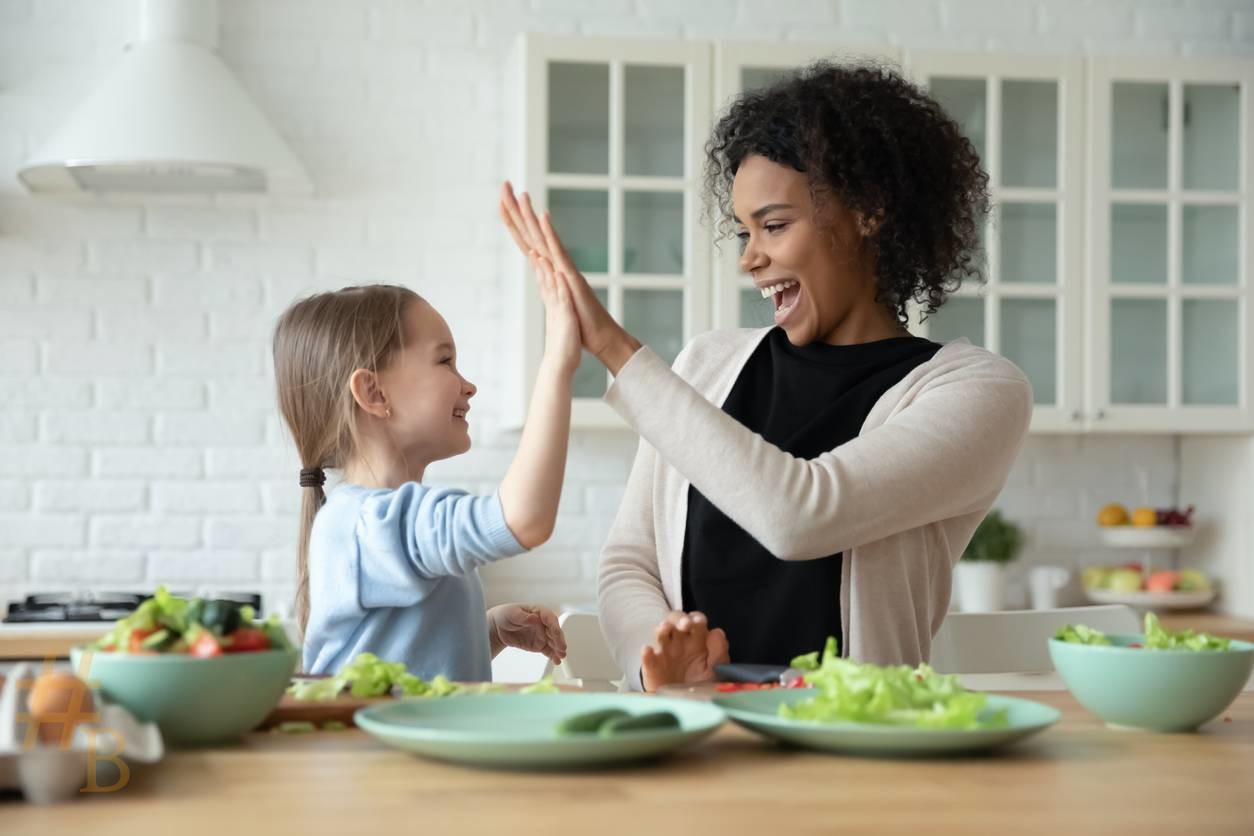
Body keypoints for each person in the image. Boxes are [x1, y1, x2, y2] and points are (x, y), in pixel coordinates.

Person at [499, 60, 1032, 692]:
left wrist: (615, 349)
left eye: (774, 225)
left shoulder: (975, 391)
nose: (751, 258)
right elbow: (629, 561)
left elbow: (800, 514)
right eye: (745, 230)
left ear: (869, 211)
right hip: (692, 738)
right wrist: (659, 662)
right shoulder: (705, 366)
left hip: (858, 754)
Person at [272, 255, 576, 680]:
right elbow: (524, 520)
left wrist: (487, 631)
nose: (468, 384)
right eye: (444, 361)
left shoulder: (389, 523)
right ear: (374, 392)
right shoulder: (366, 524)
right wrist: (557, 366)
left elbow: (409, 663)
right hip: (365, 749)